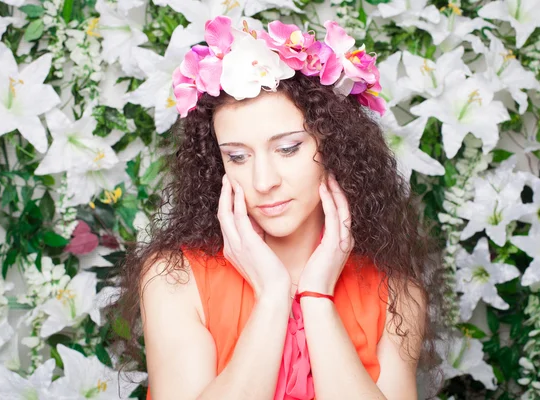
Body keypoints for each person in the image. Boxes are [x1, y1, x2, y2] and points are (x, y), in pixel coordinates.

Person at [112, 15, 449, 400]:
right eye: (237, 157)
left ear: (335, 147)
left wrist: (318, 296)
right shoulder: (175, 278)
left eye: (288, 149)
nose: (262, 181)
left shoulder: (395, 291)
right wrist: (273, 296)